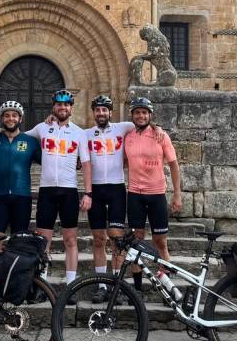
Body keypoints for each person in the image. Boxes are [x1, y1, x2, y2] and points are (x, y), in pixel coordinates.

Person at [21, 89, 92, 285]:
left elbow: (86, 164)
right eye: (59, 104)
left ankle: (71, 284)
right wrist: (1, 130)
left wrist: (88, 193)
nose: (63, 107)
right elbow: (19, 136)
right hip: (47, 191)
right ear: (54, 107)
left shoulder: (79, 133)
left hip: (69, 191)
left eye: (66, 104)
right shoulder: (42, 128)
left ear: (71, 108)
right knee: (44, 241)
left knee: (71, 240)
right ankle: (42, 284)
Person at [122, 96, 182, 293]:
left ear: (150, 115)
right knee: (136, 241)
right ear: (132, 115)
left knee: (161, 241)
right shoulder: (128, 137)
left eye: (144, 112)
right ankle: (138, 290)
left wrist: (177, 195)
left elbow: (173, 165)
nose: (141, 115)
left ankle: (169, 287)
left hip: (156, 194)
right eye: (137, 112)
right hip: (134, 195)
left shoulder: (160, 136)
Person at [0, 100, 41, 271]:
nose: (11, 118)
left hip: (22, 198)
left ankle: (15, 283)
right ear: (2, 118)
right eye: (7, 115)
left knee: (19, 245)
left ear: (20, 119)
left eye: (14, 115)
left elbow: (50, 159)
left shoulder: (30, 141)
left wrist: (77, 163)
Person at [85, 94, 134, 303]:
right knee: (98, 240)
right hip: (95, 188)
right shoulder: (85, 134)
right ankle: (101, 285)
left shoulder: (123, 128)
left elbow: (143, 123)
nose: (101, 113)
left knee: (116, 239)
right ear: (93, 113)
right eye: (97, 110)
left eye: (104, 110)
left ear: (110, 112)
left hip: (116, 188)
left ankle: (116, 284)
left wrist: (157, 130)